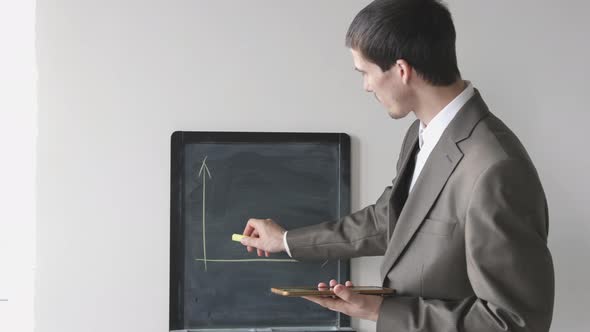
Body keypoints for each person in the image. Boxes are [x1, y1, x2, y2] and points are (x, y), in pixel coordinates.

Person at [239, 0, 555, 331]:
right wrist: (287, 241)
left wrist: (382, 312)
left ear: (401, 71)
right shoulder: (422, 134)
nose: (366, 86)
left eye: (365, 72)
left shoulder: (495, 168)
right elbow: (390, 219)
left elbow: (515, 322)